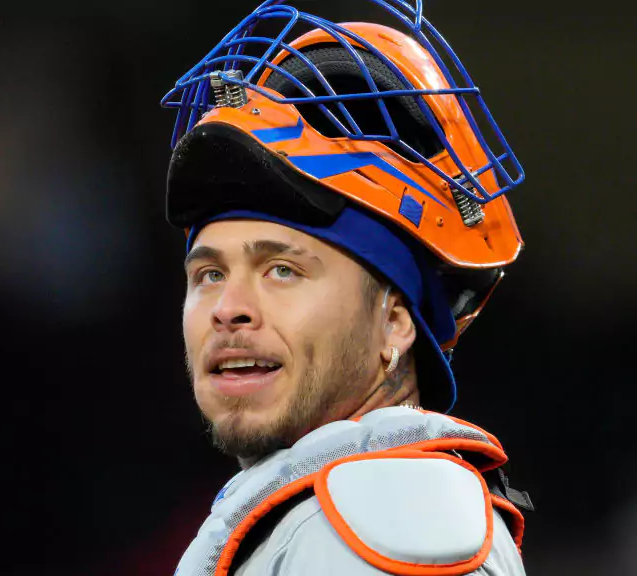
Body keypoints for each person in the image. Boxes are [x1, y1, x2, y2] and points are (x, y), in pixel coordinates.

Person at [161, 2, 534, 574]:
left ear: (394, 322)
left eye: (282, 270)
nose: (229, 309)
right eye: (210, 275)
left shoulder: (388, 524)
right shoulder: (331, 516)